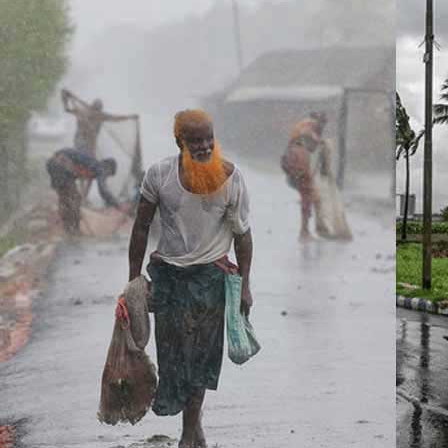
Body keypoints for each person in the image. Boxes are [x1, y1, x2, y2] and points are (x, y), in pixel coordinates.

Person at [128, 109, 253, 448]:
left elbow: (242, 235)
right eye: (195, 140)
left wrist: (246, 285)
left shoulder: (230, 177)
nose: (203, 145)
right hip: (168, 277)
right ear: (179, 142)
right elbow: (140, 227)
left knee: (202, 355)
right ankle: (192, 423)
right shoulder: (159, 175)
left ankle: (189, 428)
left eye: (208, 138)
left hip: (211, 278)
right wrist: (133, 281)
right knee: (173, 355)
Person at [280, 111, 331, 241]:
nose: (322, 128)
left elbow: (310, 145)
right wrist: (320, 141)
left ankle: (310, 229)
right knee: (307, 195)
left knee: (311, 196)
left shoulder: (303, 125)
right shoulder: (309, 124)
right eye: (323, 124)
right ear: (319, 121)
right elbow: (307, 135)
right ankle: (304, 232)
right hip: (298, 160)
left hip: (292, 159)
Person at [46, 147, 121, 235]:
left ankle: (68, 228)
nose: (106, 176)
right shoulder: (100, 168)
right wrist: (117, 205)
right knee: (74, 199)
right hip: (60, 165)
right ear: (108, 168)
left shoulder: (90, 165)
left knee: (66, 198)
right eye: (108, 174)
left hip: (52, 163)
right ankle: (73, 230)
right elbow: (103, 190)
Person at [61, 88, 138, 157]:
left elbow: (116, 118)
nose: (95, 112)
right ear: (92, 107)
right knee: (81, 153)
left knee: (89, 155)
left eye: (98, 109)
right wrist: (67, 99)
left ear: (100, 109)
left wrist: (130, 117)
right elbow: (67, 109)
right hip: (80, 140)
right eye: (95, 108)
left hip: (91, 143)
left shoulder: (102, 116)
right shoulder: (82, 111)